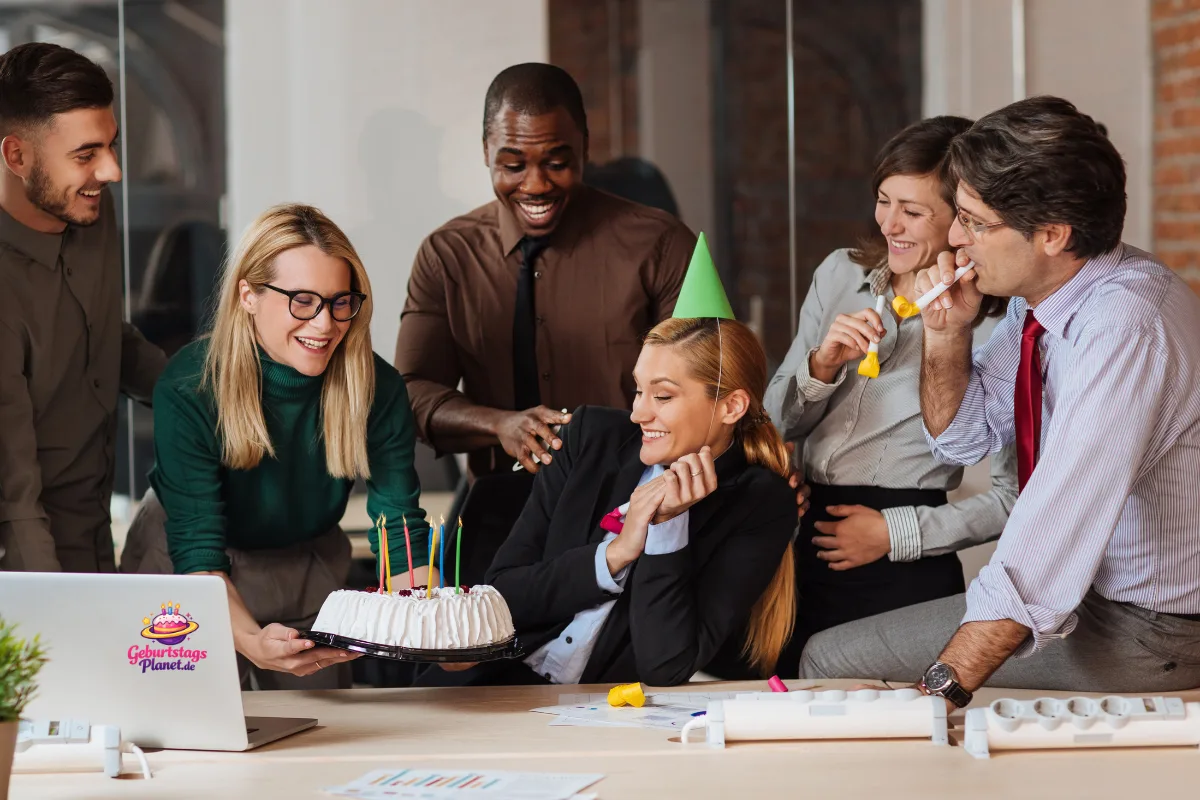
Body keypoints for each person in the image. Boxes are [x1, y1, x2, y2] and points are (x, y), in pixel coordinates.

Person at [800, 96, 1200, 696]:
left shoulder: (1124, 328)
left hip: (1151, 628)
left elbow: (1049, 537)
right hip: (1087, 596)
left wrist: (940, 688)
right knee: (832, 652)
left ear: (1052, 235)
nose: (955, 240)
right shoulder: (1040, 296)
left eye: (976, 224)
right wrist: (946, 333)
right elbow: (962, 437)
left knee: (831, 663)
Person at [706, 118, 1017, 681]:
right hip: (794, 545)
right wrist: (820, 366)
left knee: (892, 728)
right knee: (775, 710)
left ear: (962, 220)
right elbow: (771, 424)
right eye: (883, 200)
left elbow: (1014, 499)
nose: (890, 224)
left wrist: (893, 533)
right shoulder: (838, 274)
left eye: (913, 211)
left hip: (901, 562)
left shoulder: (999, 326)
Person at [394, 63, 696, 582]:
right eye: (512, 165)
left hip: (632, 506)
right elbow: (409, 394)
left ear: (585, 145)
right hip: (500, 509)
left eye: (557, 162)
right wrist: (498, 424)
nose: (535, 185)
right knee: (468, 658)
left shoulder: (660, 244)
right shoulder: (447, 256)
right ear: (485, 151)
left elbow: (707, 387)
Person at [121, 204, 433, 690]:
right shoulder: (189, 386)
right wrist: (248, 641)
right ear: (248, 294)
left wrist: (436, 626)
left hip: (305, 563)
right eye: (303, 300)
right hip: (190, 572)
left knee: (320, 736)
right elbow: (197, 551)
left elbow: (399, 528)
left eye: (339, 302)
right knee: (192, 744)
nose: (325, 325)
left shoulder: (377, 387)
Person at [424, 313, 797, 687]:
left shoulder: (759, 503)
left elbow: (664, 664)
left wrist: (665, 529)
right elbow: (502, 594)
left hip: (601, 714)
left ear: (731, 407)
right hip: (489, 683)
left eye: (663, 396)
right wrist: (614, 555)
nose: (638, 413)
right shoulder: (590, 436)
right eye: (638, 390)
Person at [0, 42, 166, 572]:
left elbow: (100, 338)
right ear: (16, 156)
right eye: (86, 154)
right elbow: (14, 499)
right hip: (28, 568)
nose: (113, 172)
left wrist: (209, 397)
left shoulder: (89, 205)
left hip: (97, 541)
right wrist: (54, 616)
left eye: (111, 146)